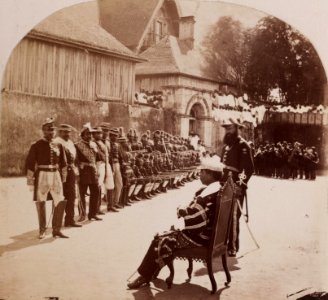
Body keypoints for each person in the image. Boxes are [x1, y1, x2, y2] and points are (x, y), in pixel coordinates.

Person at [127, 156, 225, 289]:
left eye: (202, 172)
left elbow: (195, 220)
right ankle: (152, 270)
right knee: (169, 235)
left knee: (160, 239)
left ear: (210, 174)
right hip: (214, 237)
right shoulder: (219, 189)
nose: (199, 174)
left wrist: (181, 210)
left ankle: (144, 276)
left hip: (201, 238)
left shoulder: (207, 194)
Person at [26, 118, 69, 239]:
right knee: (41, 201)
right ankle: (42, 230)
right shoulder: (36, 145)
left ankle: (56, 230)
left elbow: (64, 163)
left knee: (60, 200)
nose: (51, 133)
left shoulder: (59, 145)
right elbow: (30, 163)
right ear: (43, 131)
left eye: (52, 130)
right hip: (42, 175)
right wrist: (30, 182)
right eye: (48, 130)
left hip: (56, 174)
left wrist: (63, 179)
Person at [220, 118, 254, 257]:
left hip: (235, 186)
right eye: (226, 128)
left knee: (233, 217)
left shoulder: (243, 145)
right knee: (222, 215)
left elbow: (248, 168)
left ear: (237, 128)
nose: (228, 131)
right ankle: (221, 244)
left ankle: (232, 246)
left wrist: (240, 185)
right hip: (223, 185)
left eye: (230, 128)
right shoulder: (227, 146)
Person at [54, 124, 82, 228]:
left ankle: (69, 219)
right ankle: (57, 222)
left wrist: (76, 172)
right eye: (65, 132)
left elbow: (74, 159)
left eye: (68, 132)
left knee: (72, 196)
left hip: (71, 171)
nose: (67, 134)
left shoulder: (70, 143)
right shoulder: (56, 142)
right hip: (60, 172)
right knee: (60, 197)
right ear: (60, 132)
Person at [75, 123, 102, 221]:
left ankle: (92, 214)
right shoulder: (77, 146)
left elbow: (98, 159)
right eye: (87, 134)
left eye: (90, 134)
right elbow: (75, 161)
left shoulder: (94, 145)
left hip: (93, 171)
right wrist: (77, 173)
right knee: (81, 194)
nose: (89, 136)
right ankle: (82, 214)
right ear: (82, 135)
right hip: (83, 171)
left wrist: (98, 170)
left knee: (95, 192)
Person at [109, 127, 124, 210]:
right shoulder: (107, 144)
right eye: (113, 135)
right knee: (110, 185)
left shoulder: (117, 145)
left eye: (116, 135)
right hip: (110, 165)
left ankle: (116, 202)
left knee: (119, 184)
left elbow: (120, 156)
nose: (114, 137)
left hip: (117, 164)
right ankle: (110, 204)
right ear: (110, 135)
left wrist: (122, 165)